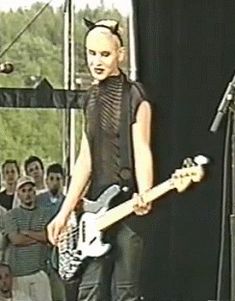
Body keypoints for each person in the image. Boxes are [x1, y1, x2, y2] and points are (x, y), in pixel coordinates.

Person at [47, 18, 153, 301]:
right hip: (94, 211)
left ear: (120, 54)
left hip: (128, 205)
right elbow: (86, 159)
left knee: (125, 290)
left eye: (104, 54)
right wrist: (64, 212)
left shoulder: (134, 95)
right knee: (89, 290)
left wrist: (146, 191)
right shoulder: (91, 98)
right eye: (91, 53)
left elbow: (142, 147)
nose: (96, 60)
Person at [3, 176, 52, 301]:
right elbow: (16, 240)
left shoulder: (45, 213)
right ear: (18, 194)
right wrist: (39, 237)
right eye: (23, 191)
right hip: (19, 274)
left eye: (30, 190)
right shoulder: (11, 215)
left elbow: (48, 236)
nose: (27, 194)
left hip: (39, 272)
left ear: (34, 191)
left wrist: (27, 232)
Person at [37, 163, 66, 301]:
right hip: (40, 253)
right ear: (46, 180)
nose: (55, 183)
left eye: (58, 179)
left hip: (61, 255)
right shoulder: (38, 200)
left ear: (63, 181)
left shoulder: (68, 202)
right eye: (52, 179)